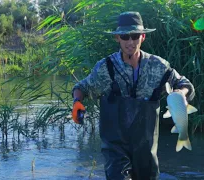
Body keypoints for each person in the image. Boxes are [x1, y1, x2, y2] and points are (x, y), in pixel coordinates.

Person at [71, 12, 195, 180]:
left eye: (135, 36)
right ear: (117, 38)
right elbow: (82, 87)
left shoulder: (158, 66)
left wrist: (181, 93)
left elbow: (185, 84)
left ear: (142, 37)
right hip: (115, 147)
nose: (130, 41)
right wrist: (77, 101)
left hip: (146, 148)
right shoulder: (105, 67)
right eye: (125, 36)